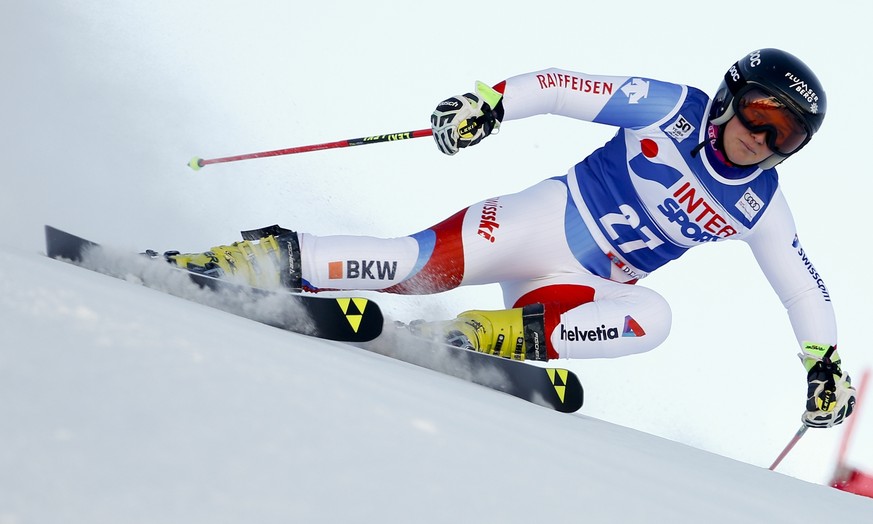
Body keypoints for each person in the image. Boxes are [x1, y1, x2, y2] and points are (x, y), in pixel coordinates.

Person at [168, 48, 855, 428]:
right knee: (410, 268)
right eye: (760, 115)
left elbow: (799, 286)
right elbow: (561, 86)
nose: (760, 139)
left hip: (574, 289)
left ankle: (477, 337)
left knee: (653, 318)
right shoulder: (670, 107)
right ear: (731, 99)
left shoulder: (760, 204)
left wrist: (822, 364)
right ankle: (259, 258)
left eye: (784, 134)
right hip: (537, 222)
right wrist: (489, 104)